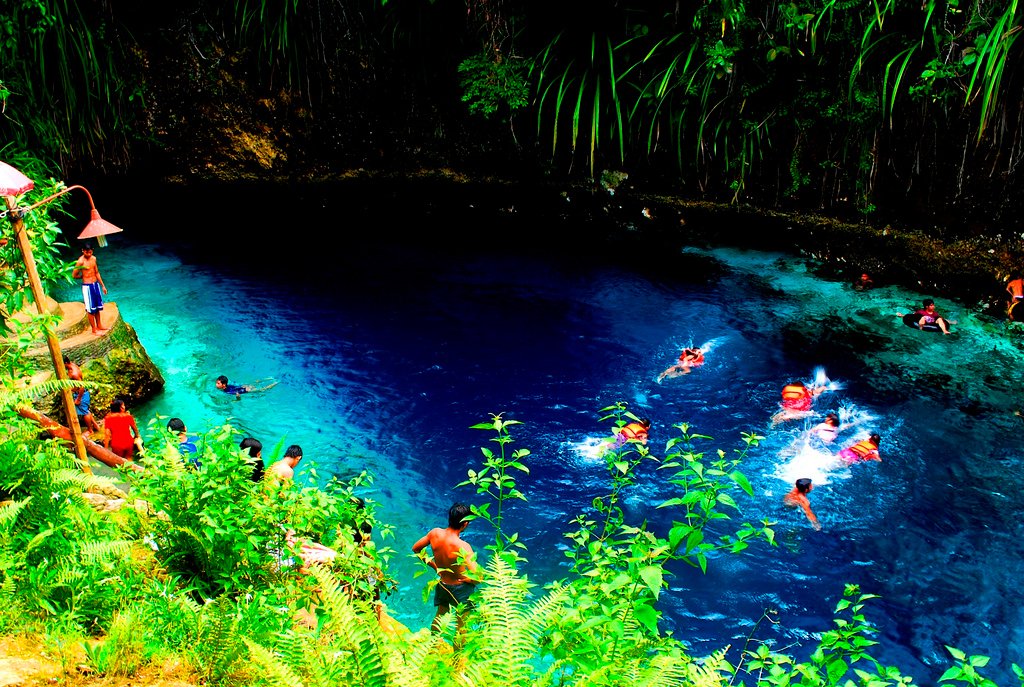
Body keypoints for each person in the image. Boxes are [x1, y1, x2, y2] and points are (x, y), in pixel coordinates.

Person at [411, 502, 480, 642]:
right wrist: (467, 579)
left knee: (440, 616)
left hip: (443, 584)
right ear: (465, 523)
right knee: (462, 626)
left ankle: (431, 646)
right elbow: (478, 576)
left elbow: (415, 549)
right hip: (460, 589)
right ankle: (457, 659)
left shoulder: (435, 533)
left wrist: (435, 566)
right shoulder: (463, 546)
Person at [72, 244, 108, 335]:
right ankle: (94, 329)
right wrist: (83, 276)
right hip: (87, 286)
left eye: (90, 252)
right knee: (90, 309)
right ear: (83, 251)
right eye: (87, 252)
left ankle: (99, 325)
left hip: (95, 284)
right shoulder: (80, 262)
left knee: (98, 307)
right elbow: (74, 275)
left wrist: (103, 286)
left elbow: (97, 272)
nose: (89, 254)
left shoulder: (94, 259)